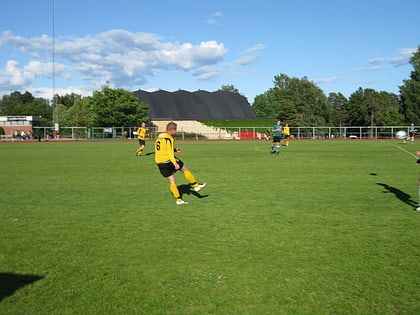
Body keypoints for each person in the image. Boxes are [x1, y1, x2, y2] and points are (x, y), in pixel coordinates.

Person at [155, 122, 206, 205]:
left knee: (172, 181)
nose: (176, 132)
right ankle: (195, 186)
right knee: (184, 168)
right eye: (176, 130)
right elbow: (169, 153)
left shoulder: (160, 137)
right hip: (168, 160)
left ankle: (179, 200)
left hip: (160, 162)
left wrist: (175, 150)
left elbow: (163, 149)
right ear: (172, 130)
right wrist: (174, 163)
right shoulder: (170, 138)